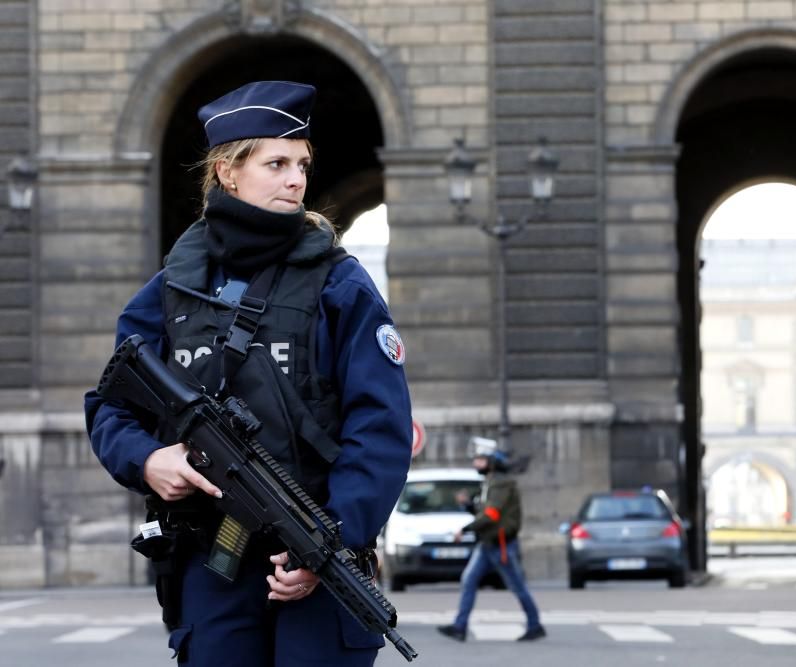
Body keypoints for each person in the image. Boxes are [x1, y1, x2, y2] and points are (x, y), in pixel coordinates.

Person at [84, 81, 412, 667]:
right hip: (211, 559)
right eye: (277, 163)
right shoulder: (173, 287)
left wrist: (332, 539)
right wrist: (148, 460)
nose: (296, 179)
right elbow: (111, 405)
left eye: (303, 165)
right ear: (228, 172)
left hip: (313, 550)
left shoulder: (341, 284)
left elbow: (380, 426)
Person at [437, 437, 546, 643]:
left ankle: (535, 624)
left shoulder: (501, 483)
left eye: (479, 460)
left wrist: (465, 529)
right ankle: (460, 627)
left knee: (517, 586)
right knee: (469, 580)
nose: (475, 464)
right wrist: (469, 505)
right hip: (488, 543)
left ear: (491, 461)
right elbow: (484, 511)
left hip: (501, 545)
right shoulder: (491, 482)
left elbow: (492, 514)